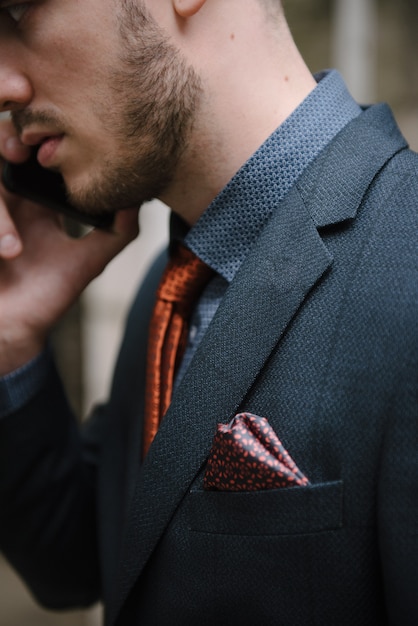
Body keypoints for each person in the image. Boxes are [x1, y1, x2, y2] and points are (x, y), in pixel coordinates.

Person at [0, 0, 417, 624]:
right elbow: (91, 562)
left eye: (16, 12)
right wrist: (12, 341)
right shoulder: (170, 288)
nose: (4, 85)